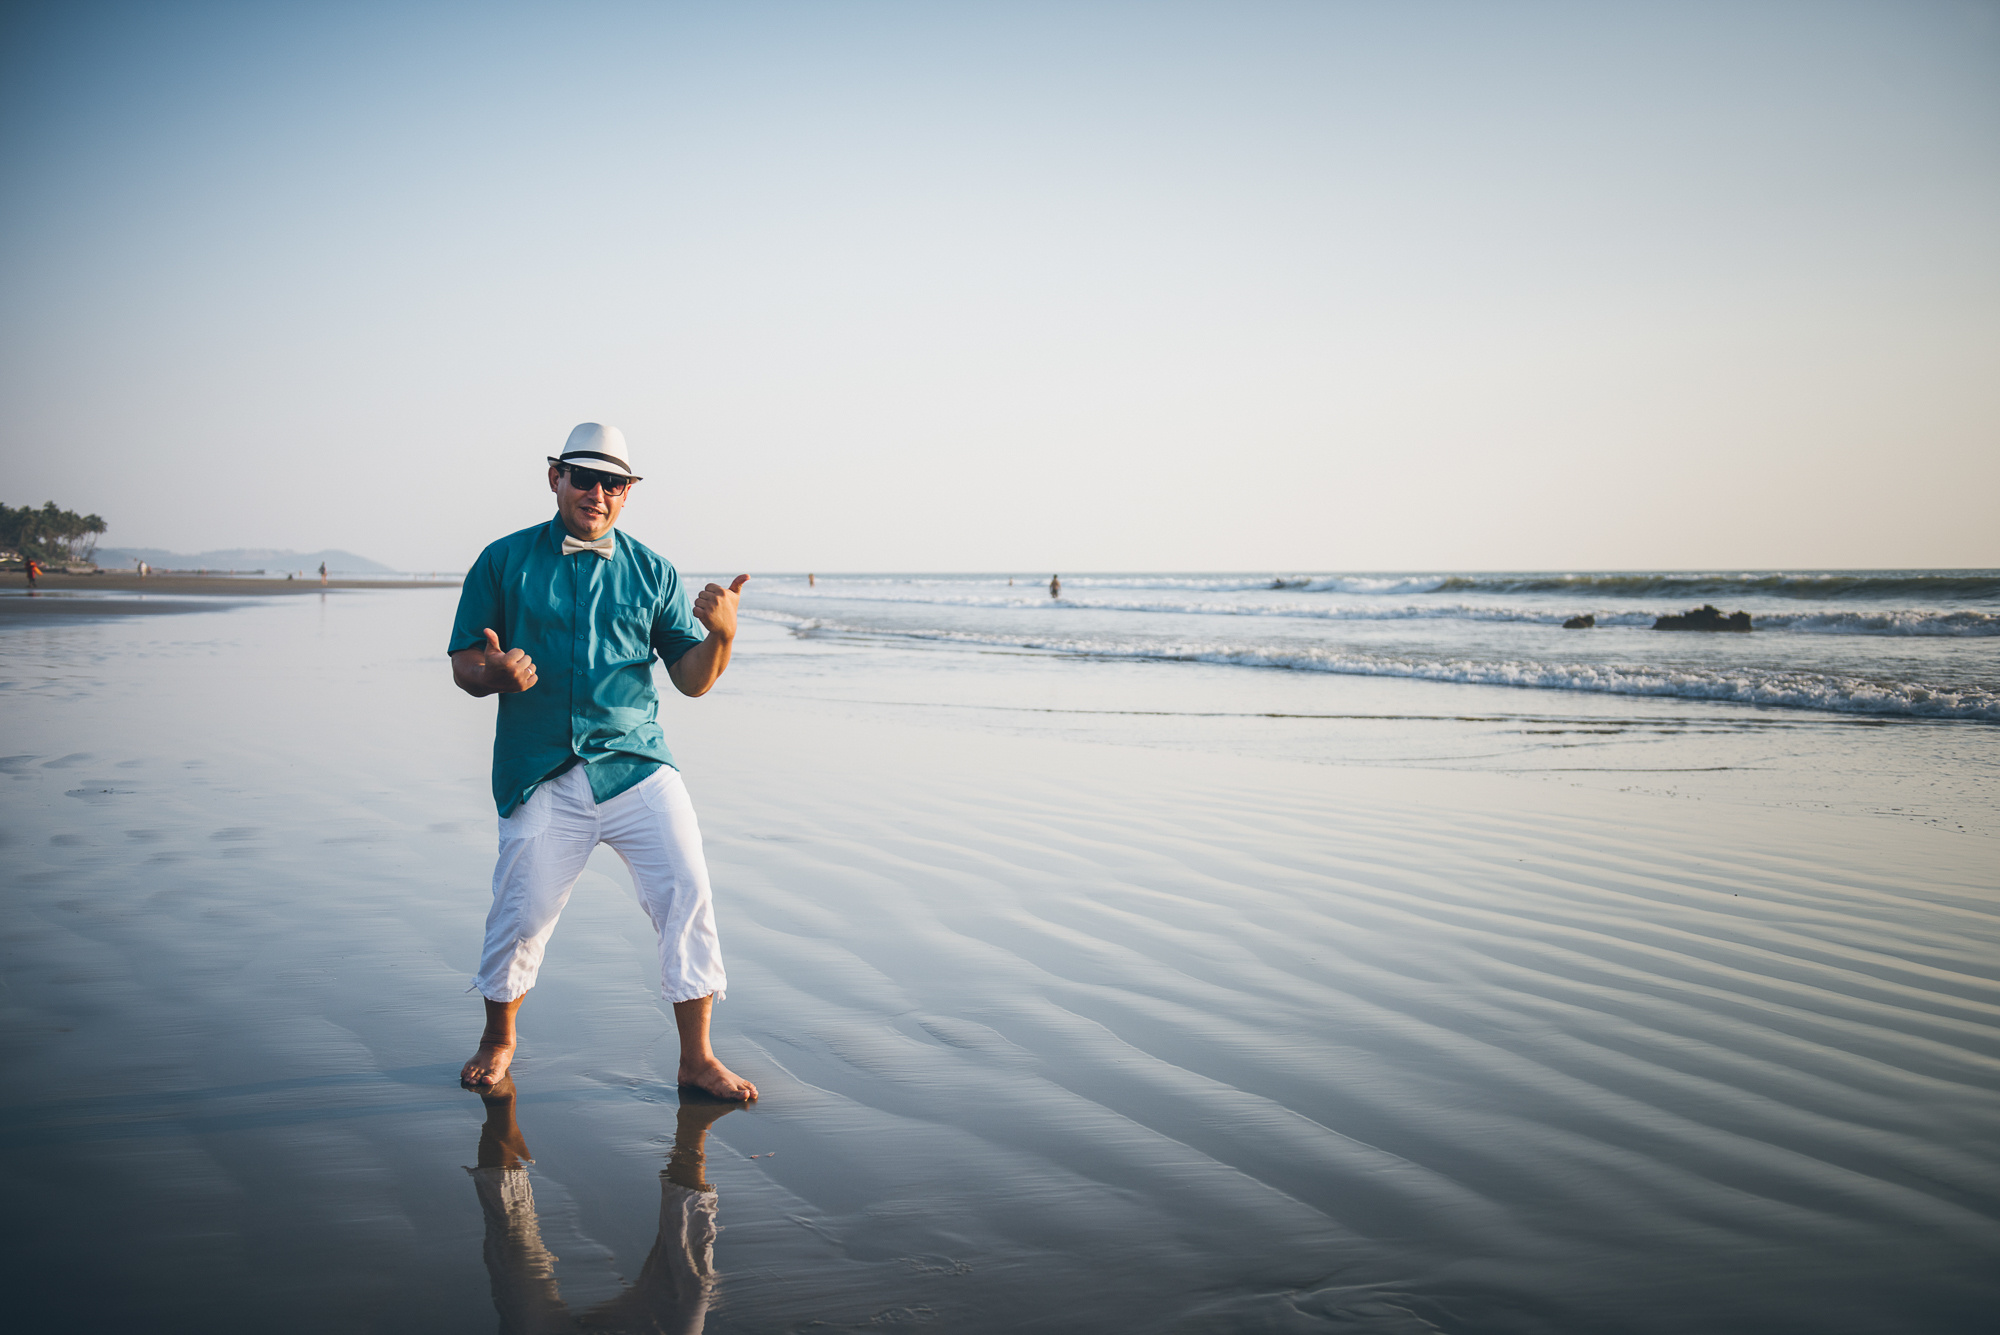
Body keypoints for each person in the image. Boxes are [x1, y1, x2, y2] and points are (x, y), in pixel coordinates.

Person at [449, 422, 757, 1102]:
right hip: (540, 768)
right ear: (554, 476)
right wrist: (494, 671)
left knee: (687, 887)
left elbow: (692, 679)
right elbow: (464, 663)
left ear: (627, 494)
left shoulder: (653, 571)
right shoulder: (502, 561)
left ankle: (697, 1057)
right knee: (521, 909)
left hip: (635, 763)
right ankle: (499, 1038)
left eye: (610, 482)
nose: (595, 492)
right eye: (582, 477)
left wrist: (723, 634)